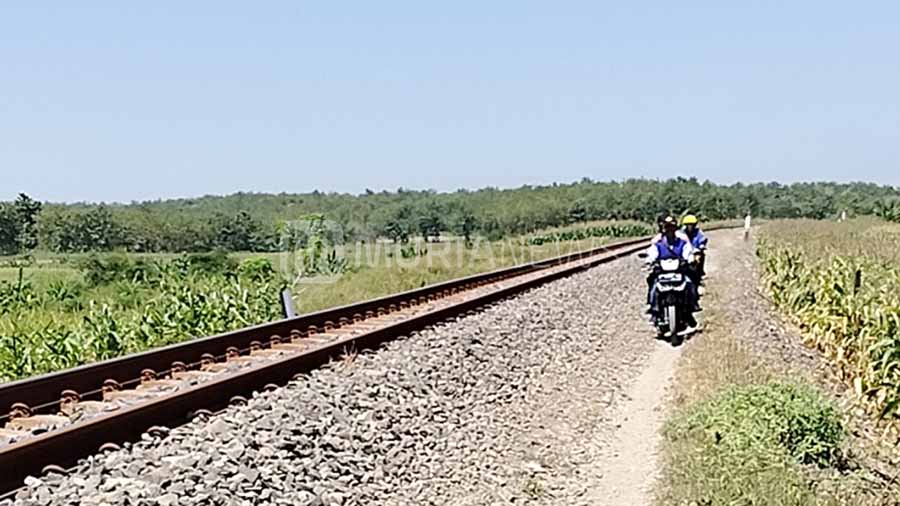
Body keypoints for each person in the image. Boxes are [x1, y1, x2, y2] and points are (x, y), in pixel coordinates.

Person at [645, 216, 699, 329]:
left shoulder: (682, 242)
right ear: (664, 228)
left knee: (689, 284)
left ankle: (690, 309)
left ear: (675, 229)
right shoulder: (658, 243)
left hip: (679, 271)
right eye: (667, 227)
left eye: (672, 227)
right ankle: (654, 310)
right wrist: (650, 260)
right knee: (653, 285)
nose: (670, 230)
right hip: (662, 272)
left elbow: (687, 252)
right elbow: (652, 253)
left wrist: (690, 259)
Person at [681, 214, 708, 282]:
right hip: (685, 251)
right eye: (688, 224)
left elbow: (702, 239)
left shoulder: (698, 232)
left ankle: (700, 271)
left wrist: (701, 245)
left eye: (691, 224)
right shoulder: (682, 232)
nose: (690, 226)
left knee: (700, 257)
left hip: (696, 250)